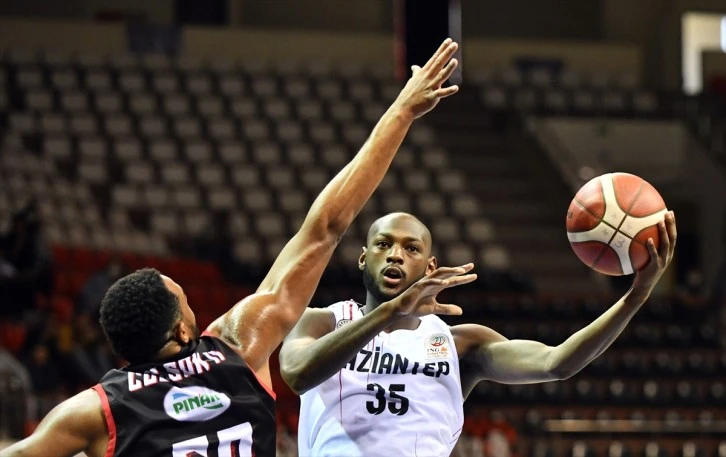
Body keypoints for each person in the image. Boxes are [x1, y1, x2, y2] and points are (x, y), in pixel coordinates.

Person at [0, 38, 461, 457]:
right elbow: (326, 227)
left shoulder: (96, 411)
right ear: (182, 331)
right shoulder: (237, 349)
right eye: (185, 299)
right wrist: (401, 111)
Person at [280, 211, 678, 457]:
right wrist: (388, 314)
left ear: (430, 266)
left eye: (411, 248)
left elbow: (557, 363)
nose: (396, 254)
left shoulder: (461, 343)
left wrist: (637, 294)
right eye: (383, 244)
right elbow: (297, 374)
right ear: (364, 258)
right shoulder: (323, 322)